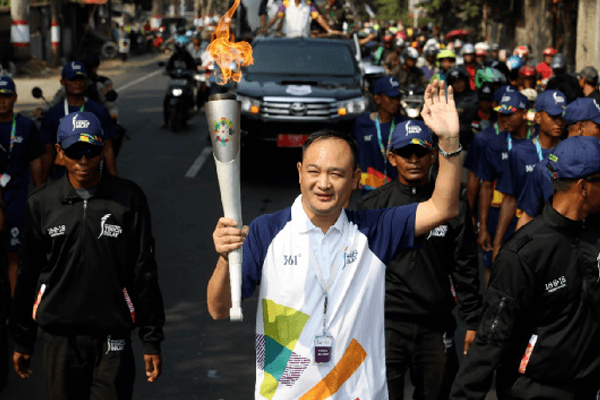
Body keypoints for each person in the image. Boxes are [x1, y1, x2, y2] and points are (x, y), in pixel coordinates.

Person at [207, 80, 463, 399]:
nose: (323, 184)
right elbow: (219, 308)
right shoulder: (267, 231)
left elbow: (444, 206)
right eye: (314, 171)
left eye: (337, 174)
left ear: (355, 180)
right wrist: (223, 258)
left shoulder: (374, 230)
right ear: (300, 172)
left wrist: (449, 142)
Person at [10, 112, 165, 399]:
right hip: (59, 339)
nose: (83, 160)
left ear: (103, 149)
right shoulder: (41, 203)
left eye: (91, 151)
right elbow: (27, 273)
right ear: (59, 153)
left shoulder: (128, 199)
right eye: (74, 151)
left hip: (113, 337)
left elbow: (143, 270)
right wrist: (22, 339)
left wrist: (151, 339)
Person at [450, 135, 600, 400]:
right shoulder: (523, 254)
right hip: (536, 390)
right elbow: (491, 338)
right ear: (583, 187)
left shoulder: (595, 233)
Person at [357, 120, 482, 400]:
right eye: (405, 153)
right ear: (392, 157)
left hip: (435, 326)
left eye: (421, 152)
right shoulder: (372, 206)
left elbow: (465, 266)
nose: (413, 159)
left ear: (434, 155)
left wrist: (473, 321)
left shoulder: (454, 208)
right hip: (384, 326)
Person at [491, 90, 566, 261]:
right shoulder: (518, 152)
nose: (559, 122)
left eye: (561, 116)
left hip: (560, 237)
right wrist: (498, 243)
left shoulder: (570, 151)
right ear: (537, 117)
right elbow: (509, 198)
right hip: (526, 231)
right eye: (553, 116)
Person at [516, 96, 600, 229]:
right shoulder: (546, 168)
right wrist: (510, 249)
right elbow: (528, 216)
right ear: (580, 128)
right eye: (598, 126)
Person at [476, 90, 531, 287]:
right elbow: (486, 187)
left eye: (510, 114)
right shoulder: (494, 144)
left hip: (530, 217)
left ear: (524, 114)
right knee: (493, 266)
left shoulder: (538, 142)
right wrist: (483, 227)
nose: (503, 118)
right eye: (501, 113)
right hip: (498, 215)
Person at [0, 76, 45, 298]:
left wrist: (39, 194)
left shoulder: (26, 126)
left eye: (6, 96)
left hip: (17, 198)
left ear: (15, 98)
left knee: (14, 256)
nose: (2, 101)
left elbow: (35, 159)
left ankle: (16, 310)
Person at [39, 61, 117, 182]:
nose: (77, 83)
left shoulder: (99, 111)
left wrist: (114, 180)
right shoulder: (53, 114)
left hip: (93, 177)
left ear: (86, 81)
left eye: (81, 79)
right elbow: (47, 153)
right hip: (63, 179)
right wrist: (41, 186)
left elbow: (107, 148)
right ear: (62, 82)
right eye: (72, 79)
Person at [353, 76, 408, 194]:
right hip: (370, 192)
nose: (396, 102)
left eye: (398, 97)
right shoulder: (362, 123)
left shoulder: (404, 124)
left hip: (398, 192)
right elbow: (357, 155)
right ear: (377, 98)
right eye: (391, 97)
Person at [261, 0, 337, 38]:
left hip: (304, 39)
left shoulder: (308, 3)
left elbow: (318, 18)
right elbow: (276, 17)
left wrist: (329, 30)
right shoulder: (286, 3)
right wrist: (266, 28)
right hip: (288, 38)